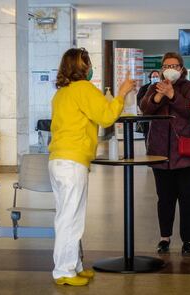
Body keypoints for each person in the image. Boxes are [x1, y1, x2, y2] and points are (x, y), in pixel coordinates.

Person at [48, 48, 135, 286]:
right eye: (88, 63)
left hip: (58, 159)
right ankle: (63, 271)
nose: (91, 67)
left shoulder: (62, 93)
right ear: (82, 67)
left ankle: (74, 266)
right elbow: (106, 116)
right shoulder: (83, 89)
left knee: (67, 215)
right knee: (70, 218)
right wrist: (122, 94)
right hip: (72, 161)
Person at [140, 52, 190, 255]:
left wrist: (173, 96)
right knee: (164, 199)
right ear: (161, 69)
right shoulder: (153, 87)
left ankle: (188, 240)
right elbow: (145, 110)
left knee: (188, 199)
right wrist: (159, 95)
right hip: (161, 154)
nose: (171, 69)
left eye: (175, 66)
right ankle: (164, 237)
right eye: (167, 65)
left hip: (187, 154)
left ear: (182, 69)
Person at [136, 70, 160, 138]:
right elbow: (138, 99)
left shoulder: (162, 88)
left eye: (157, 76)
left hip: (159, 116)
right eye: (153, 76)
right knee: (148, 135)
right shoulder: (144, 88)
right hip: (147, 115)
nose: (155, 78)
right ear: (150, 78)